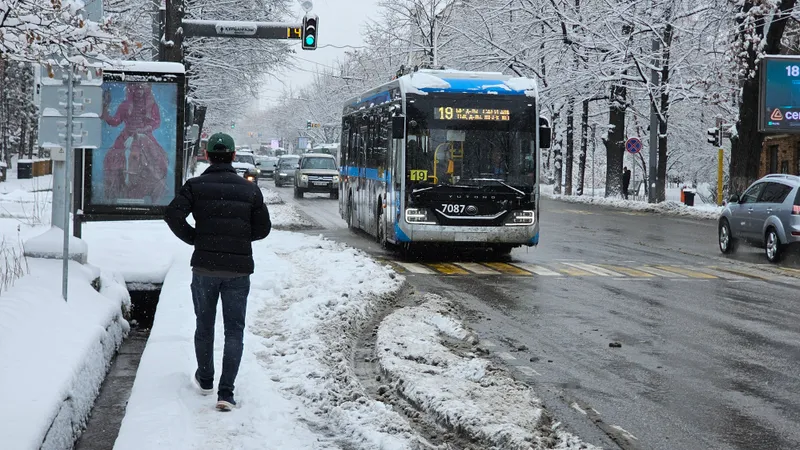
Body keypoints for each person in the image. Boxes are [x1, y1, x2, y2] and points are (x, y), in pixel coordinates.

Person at [164, 132, 271, 411]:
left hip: (204, 267)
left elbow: (172, 214)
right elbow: (263, 228)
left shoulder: (195, 186)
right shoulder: (249, 190)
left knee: (204, 324)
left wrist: (195, 238)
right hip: (237, 270)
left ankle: (206, 378)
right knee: (234, 330)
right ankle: (226, 392)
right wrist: (239, 238)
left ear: (208, 156)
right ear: (234, 156)